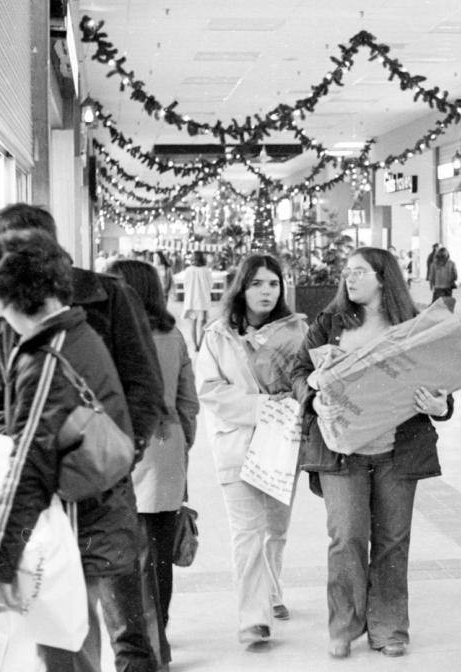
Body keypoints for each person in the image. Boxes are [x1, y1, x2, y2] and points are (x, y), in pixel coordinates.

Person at [0, 203, 164, 671]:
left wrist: (114, 456)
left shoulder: (74, 328)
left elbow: (143, 389)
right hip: (53, 502)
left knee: (124, 630)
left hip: (95, 491)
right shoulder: (46, 329)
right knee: (65, 635)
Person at [291, 247, 453, 659]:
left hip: (398, 450)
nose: (349, 277)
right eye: (346, 271)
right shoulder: (330, 324)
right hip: (342, 452)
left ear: (383, 277)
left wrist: (442, 406)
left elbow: (445, 379)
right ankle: (343, 625)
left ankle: (389, 627)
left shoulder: (415, 325)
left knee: (392, 540)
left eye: (359, 271)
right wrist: (312, 397)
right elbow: (297, 373)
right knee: (346, 537)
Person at [197, 254, 308, 647]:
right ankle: (253, 618)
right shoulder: (218, 334)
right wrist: (260, 406)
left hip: (282, 445)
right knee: (248, 532)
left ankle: (272, 592)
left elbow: (308, 378)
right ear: (241, 288)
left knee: (276, 529)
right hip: (238, 444)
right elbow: (209, 389)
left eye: (273, 284)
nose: (266, 291)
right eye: (257, 283)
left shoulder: (297, 330)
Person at [107, 259, 200, 650]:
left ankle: (148, 641)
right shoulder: (172, 336)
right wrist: (181, 443)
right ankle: (159, 627)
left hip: (122, 448)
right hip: (165, 446)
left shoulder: (111, 336)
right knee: (160, 547)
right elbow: (188, 403)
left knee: (131, 552)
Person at [183, 251, 214, 351]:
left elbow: (185, 285)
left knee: (192, 324)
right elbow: (210, 285)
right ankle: (200, 344)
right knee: (202, 324)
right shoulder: (206, 270)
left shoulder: (188, 270)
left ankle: (194, 345)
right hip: (202, 300)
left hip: (191, 300)